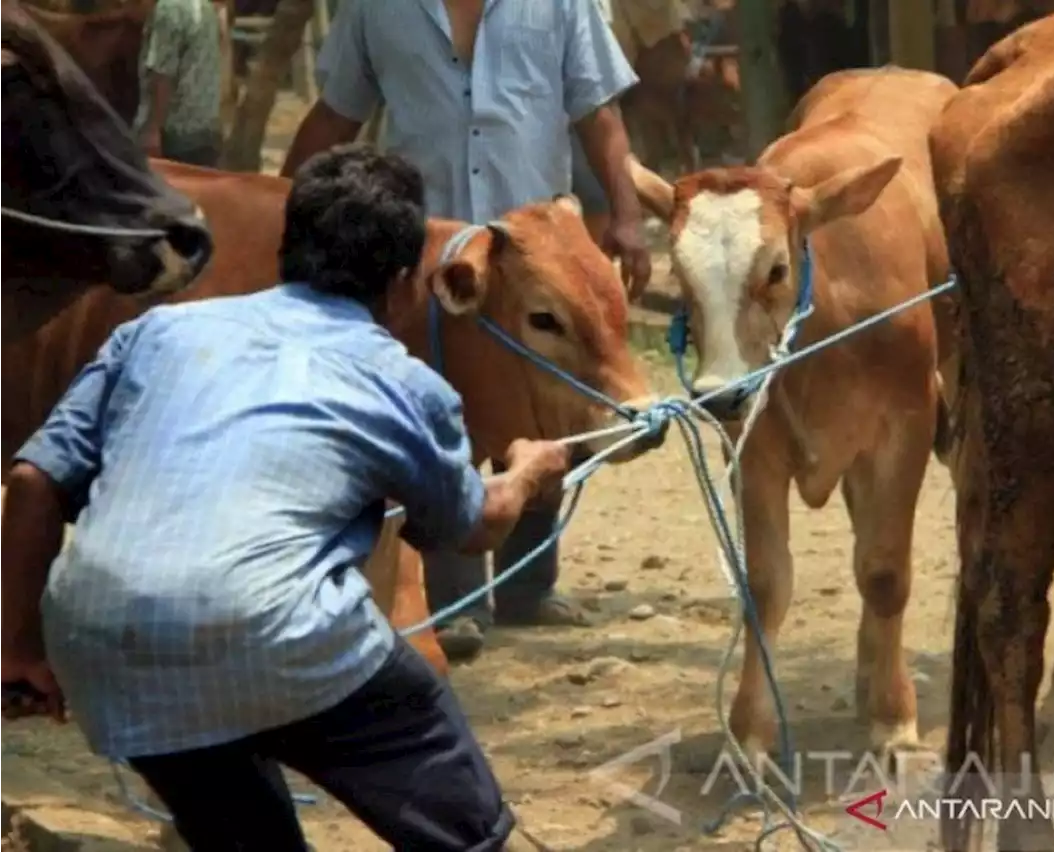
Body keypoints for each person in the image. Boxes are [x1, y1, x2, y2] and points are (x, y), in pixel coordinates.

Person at [0, 145, 570, 852]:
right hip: (284, 633)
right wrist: (527, 472)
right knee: (464, 823)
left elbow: (31, 481)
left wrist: (17, 645)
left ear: (287, 246)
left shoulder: (157, 330)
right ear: (400, 286)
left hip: (106, 649)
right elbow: (470, 526)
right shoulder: (399, 378)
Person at [281, 0, 652, 663]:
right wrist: (275, 210)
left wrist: (626, 214)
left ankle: (529, 588)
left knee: (546, 411)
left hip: (535, 249)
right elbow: (337, 113)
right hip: (427, 255)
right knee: (431, 412)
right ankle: (453, 602)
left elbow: (598, 113)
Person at [135, 0, 223, 166]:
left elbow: (163, 73)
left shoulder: (169, 8)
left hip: (174, 133)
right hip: (206, 129)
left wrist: (153, 129)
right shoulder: (206, 7)